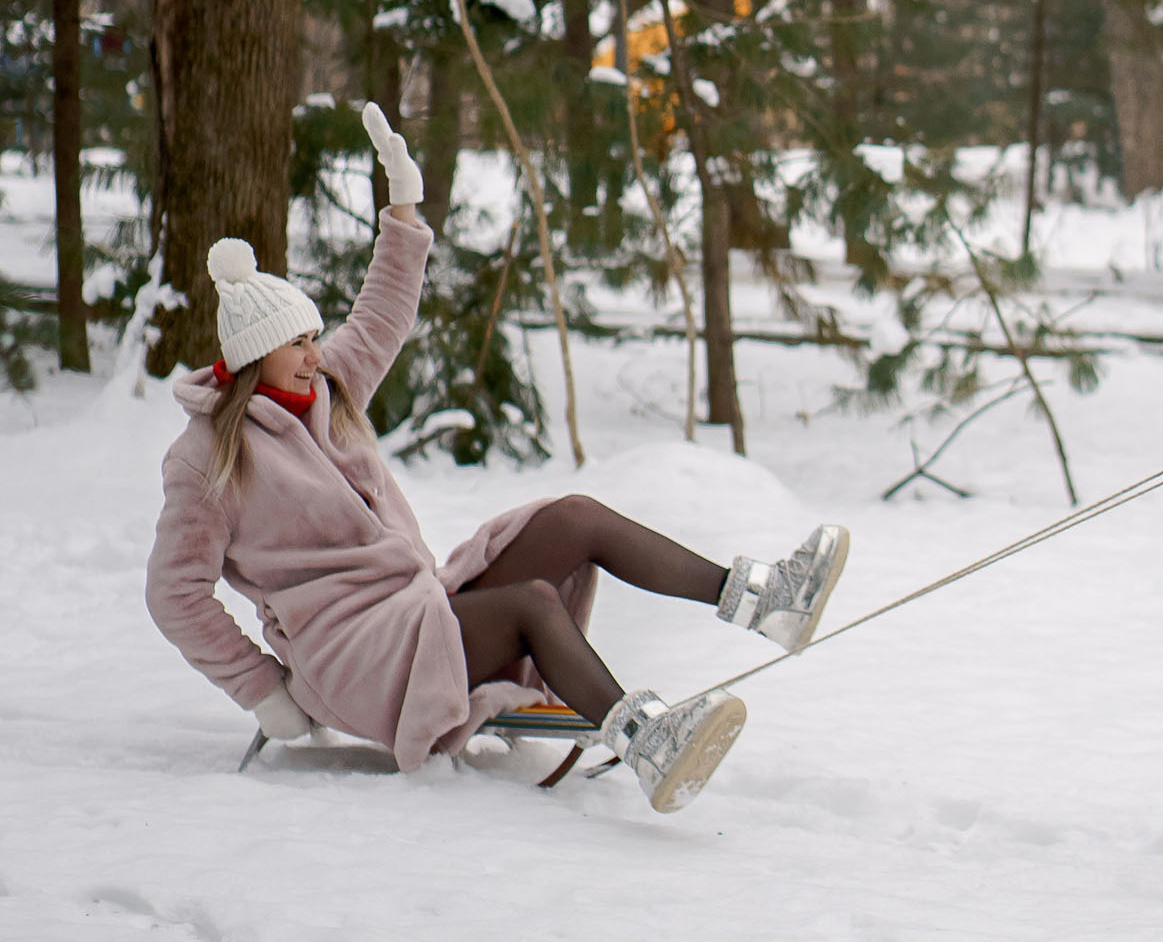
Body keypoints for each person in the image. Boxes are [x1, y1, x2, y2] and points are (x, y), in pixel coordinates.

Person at [145, 102, 849, 815]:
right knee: (532, 604)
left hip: (416, 610)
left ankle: (762, 600)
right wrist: (261, 688)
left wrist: (403, 206)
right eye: (296, 345)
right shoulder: (206, 460)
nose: (313, 354)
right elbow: (174, 593)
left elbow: (383, 311)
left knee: (574, 518)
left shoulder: (329, 387)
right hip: (354, 659)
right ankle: (650, 744)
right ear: (253, 357)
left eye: (313, 338)